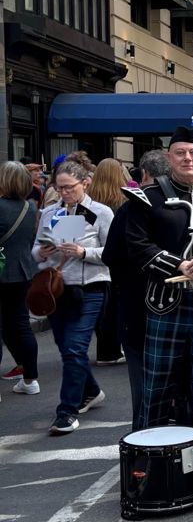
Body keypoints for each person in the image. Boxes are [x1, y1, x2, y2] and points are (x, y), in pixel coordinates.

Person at [125, 126, 193, 483]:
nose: (188, 159)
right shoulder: (147, 197)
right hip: (166, 304)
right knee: (158, 384)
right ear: (169, 158)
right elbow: (137, 246)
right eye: (181, 153)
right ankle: (146, 456)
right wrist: (181, 265)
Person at [33, 161, 113, 434]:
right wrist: (42, 253)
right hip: (57, 289)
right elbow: (35, 250)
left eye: (70, 187)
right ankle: (91, 391)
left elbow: (113, 253)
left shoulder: (100, 213)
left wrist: (83, 253)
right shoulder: (50, 213)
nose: (64, 192)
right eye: (60, 187)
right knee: (67, 347)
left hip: (90, 288)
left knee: (74, 348)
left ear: (85, 183)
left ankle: (66, 412)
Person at [102, 149, 170, 429]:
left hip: (139, 305)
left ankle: (145, 442)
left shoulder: (132, 208)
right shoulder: (183, 206)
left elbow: (111, 256)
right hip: (165, 306)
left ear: (144, 175)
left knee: (143, 385)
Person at [0, 162, 40, 398]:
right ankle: (30, 378)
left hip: (2, 271)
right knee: (22, 326)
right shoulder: (31, 208)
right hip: (22, 272)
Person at [87, 158, 130, 366]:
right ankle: (111, 349)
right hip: (117, 260)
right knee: (114, 307)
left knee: (104, 308)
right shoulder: (123, 199)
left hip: (93, 260)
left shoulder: (90, 200)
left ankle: (105, 348)